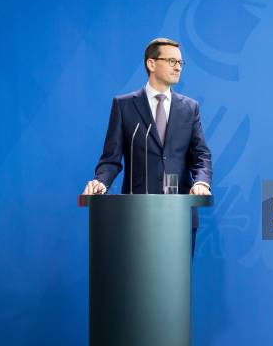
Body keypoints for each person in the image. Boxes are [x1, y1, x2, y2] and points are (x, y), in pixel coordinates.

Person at [83, 38, 212, 253]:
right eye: (172, 61)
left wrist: (202, 183)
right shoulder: (124, 105)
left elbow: (201, 156)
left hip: (179, 215)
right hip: (137, 214)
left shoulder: (190, 108)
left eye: (180, 62)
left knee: (175, 285)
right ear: (151, 64)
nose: (178, 66)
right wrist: (100, 183)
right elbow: (110, 160)